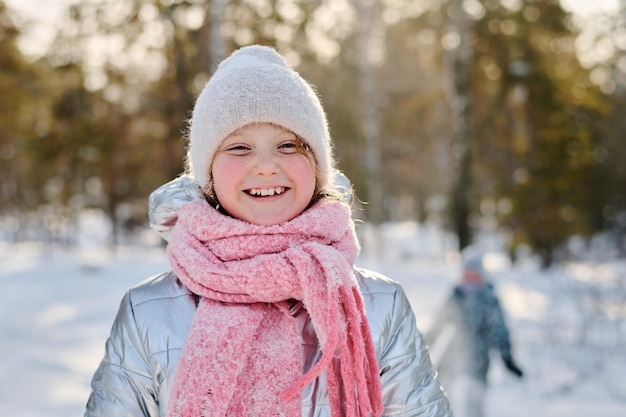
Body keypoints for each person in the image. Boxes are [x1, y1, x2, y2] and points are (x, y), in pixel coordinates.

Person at [84, 45, 452, 417]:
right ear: (208, 174)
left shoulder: (379, 305)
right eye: (240, 147)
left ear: (318, 167)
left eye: (288, 145)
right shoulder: (147, 312)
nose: (265, 166)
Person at [426, 253, 523, 417]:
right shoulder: (457, 295)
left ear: (482, 276)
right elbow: (440, 323)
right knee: (440, 390)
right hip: (454, 351)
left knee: (473, 398)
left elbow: (499, 329)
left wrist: (507, 357)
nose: (470, 279)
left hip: (479, 355)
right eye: (467, 275)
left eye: (474, 275)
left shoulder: (488, 299)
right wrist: (424, 345)